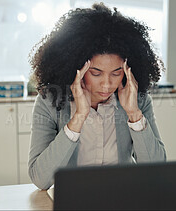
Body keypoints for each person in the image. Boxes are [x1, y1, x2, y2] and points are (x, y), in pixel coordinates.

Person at [28, 3, 166, 190]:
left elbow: (156, 170)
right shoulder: (50, 102)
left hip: (123, 195)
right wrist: (78, 118)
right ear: (77, 69)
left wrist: (134, 114)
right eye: (96, 73)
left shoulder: (138, 100)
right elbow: (40, 179)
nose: (107, 84)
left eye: (116, 73)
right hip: (74, 196)